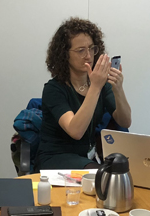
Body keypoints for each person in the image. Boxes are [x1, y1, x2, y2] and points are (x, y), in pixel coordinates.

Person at [37, 17, 132, 170]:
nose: (88, 55)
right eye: (81, 50)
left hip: (86, 157)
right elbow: (76, 131)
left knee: (124, 172)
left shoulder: (100, 84)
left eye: (92, 48)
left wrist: (118, 89)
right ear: (64, 54)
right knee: (103, 176)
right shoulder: (54, 89)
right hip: (56, 157)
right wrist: (95, 87)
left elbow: (125, 121)